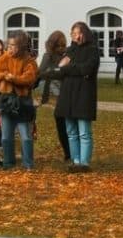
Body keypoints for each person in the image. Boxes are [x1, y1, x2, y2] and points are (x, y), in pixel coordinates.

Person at [51, 22, 100, 173]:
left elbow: (87, 69)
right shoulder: (70, 50)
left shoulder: (92, 50)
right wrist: (71, 69)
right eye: (73, 33)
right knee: (71, 131)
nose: (75, 36)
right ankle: (75, 160)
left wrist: (69, 68)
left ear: (85, 33)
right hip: (68, 94)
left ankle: (84, 163)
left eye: (78, 33)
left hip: (84, 94)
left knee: (84, 131)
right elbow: (60, 69)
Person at [0, 32, 38, 170]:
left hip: (23, 102)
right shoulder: (3, 58)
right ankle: (8, 163)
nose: (10, 48)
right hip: (5, 101)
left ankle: (28, 163)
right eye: (9, 45)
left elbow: (29, 79)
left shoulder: (29, 61)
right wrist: (4, 76)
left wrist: (14, 79)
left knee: (26, 136)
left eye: (13, 45)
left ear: (21, 46)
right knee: (6, 136)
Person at [39, 30, 71, 163]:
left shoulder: (68, 54)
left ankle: (70, 152)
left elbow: (68, 71)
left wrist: (57, 71)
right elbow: (42, 72)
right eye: (58, 46)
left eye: (62, 46)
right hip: (54, 93)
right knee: (61, 124)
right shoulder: (48, 56)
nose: (61, 48)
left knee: (67, 124)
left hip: (67, 91)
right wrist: (58, 71)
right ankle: (67, 153)